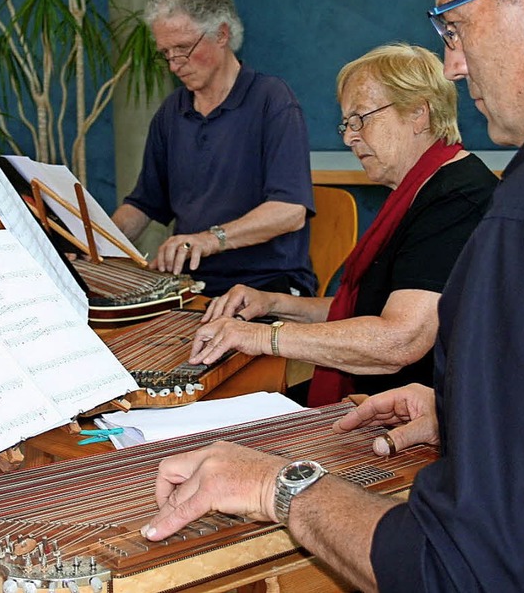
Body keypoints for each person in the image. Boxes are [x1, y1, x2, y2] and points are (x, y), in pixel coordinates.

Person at [141, 0, 524, 590]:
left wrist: (277, 484)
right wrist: (457, 413)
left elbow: (465, 570)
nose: (457, 64)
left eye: (456, 25)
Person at [186, 42, 497, 405]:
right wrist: (270, 303)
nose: (350, 137)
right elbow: (362, 310)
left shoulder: (457, 199)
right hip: (378, 396)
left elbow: (399, 340)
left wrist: (261, 338)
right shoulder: (418, 189)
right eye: (347, 124)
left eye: (361, 118)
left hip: (410, 415)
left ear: (418, 114)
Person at [112, 0, 316, 297]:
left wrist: (208, 240)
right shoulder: (172, 112)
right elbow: (144, 204)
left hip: (265, 286)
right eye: (165, 53)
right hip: (192, 285)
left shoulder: (272, 100)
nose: (174, 64)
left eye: (182, 48)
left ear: (221, 34)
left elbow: (289, 212)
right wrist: (98, 242)